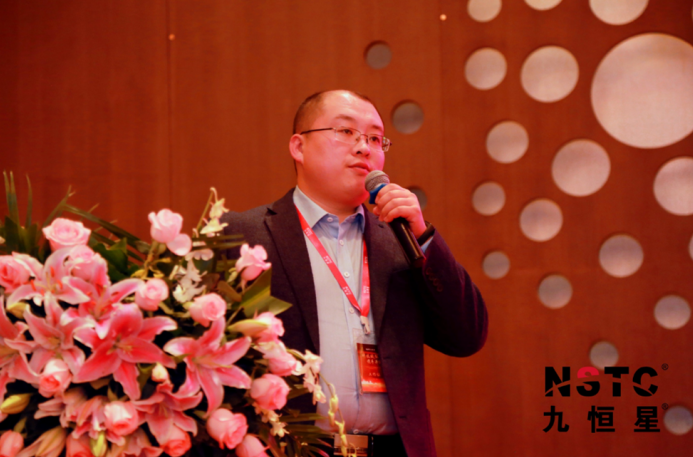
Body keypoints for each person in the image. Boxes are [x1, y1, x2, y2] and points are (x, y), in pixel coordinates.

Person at [221, 90, 488, 457]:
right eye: (346, 132)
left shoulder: (401, 240)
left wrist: (423, 237)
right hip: (290, 449)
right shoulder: (243, 235)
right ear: (299, 146)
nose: (364, 147)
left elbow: (466, 336)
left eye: (375, 138)